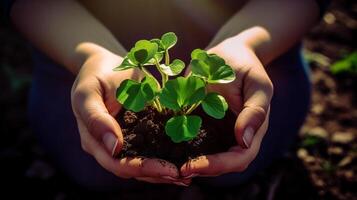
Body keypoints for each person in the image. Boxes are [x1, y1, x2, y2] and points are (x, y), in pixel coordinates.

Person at [5, 0, 327, 188]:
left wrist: (247, 43)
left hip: (265, 50)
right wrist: (88, 54)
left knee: (235, 157)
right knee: (91, 168)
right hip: (72, 53)